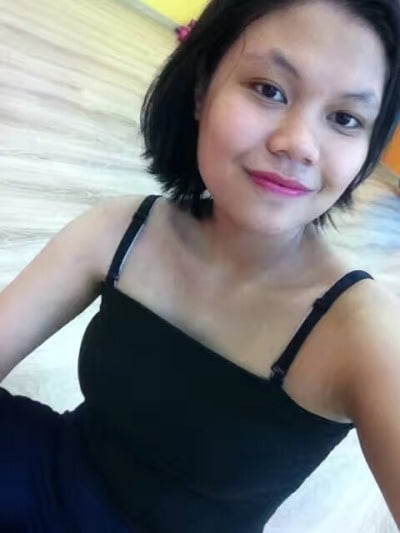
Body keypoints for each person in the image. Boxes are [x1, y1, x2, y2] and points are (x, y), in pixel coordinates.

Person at [1, 0, 400, 531]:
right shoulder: (124, 228)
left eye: (345, 119)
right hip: (40, 483)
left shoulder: (362, 331)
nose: (298, 145)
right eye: (268, 89)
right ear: (200, 90)